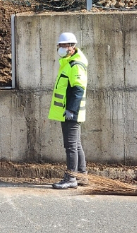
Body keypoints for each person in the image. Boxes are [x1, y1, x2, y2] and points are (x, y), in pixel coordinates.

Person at [48, 31, 88, 189]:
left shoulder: (75, 65)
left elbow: (78, 89)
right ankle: (82, 176)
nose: (60, 48)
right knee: (76, 145)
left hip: (71, 112)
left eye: (63, 46)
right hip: (70, 111)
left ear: (71, 47)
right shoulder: (69, 62)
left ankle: (71, 178)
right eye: (59, 46)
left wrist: (71, 110)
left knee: (70, 146)